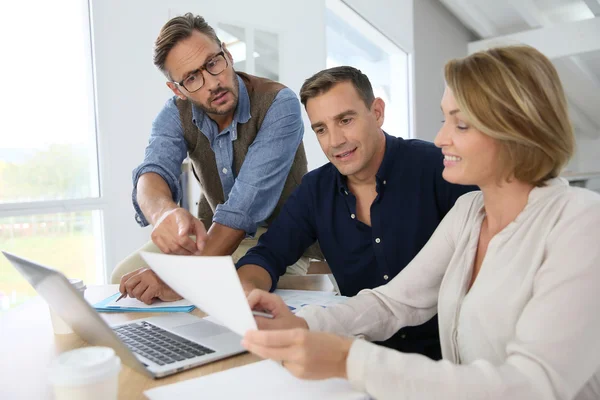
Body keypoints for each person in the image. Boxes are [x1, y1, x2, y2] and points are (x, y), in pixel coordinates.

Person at [241, 45, 600, 400]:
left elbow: (535, 386)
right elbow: (395, 302)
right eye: (445, 120)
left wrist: (350, 360)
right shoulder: (470, 213)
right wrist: (305, 324)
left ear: (516, 128)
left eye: (460, 123)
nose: (442, 137)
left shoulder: (582, 224)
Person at [235, 66, 476, 360]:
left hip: (446, 359)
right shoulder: (315, 190)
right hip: (359, 351)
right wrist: (247, 291)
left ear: (377, 112)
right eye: (321, 129)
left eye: (345, 120)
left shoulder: (440, 169)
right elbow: (269, 253)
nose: (335, 141)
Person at [114, 13, 319, 303]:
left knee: (210, 296)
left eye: (213, 63)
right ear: (177, 90)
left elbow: (241, 209)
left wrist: (181, 278)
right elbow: (152, 171)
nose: (212, 83)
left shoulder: (279, 104)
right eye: (192, 78)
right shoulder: (175, 113)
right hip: (210, 234)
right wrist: (163, 214)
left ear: (228, 53)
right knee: (123, 278)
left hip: (280, 240)